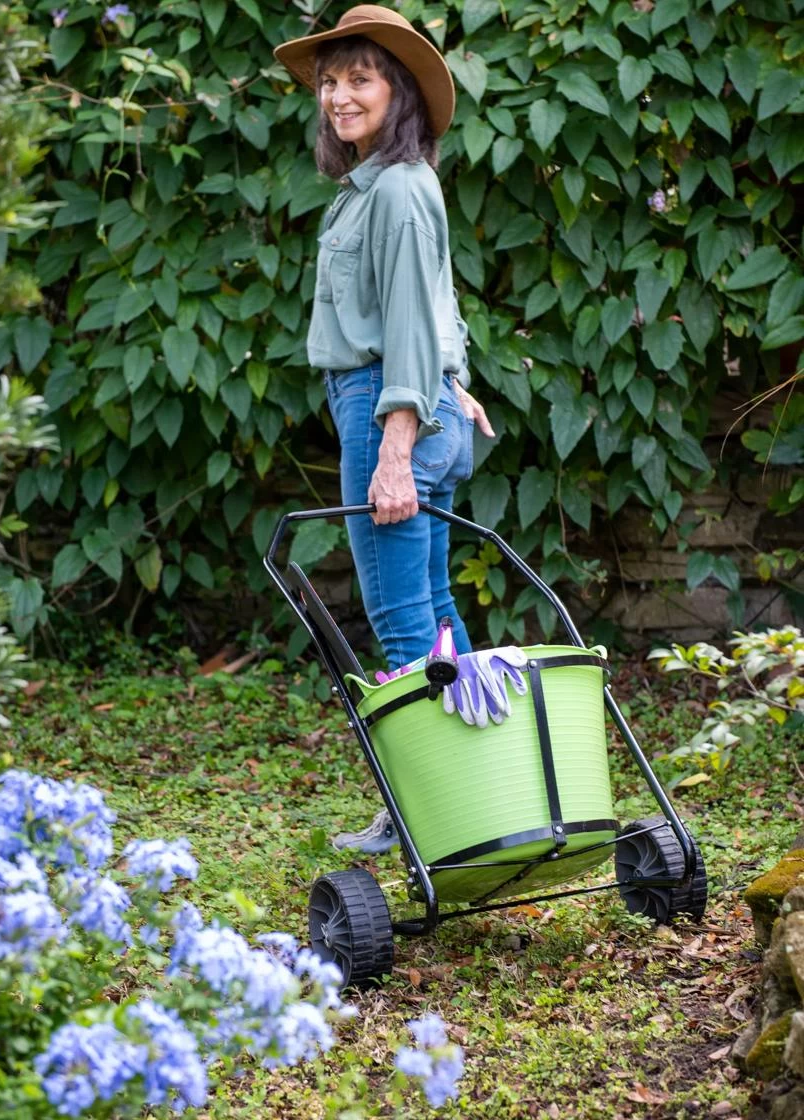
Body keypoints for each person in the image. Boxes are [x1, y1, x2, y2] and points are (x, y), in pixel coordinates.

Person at [275, 4, 494, 853]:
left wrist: (398, 445)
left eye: (359, 78)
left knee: (404, 626)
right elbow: (439, 302)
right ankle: (479, 791)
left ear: (397, 89)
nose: (338, 95)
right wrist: (455, 381)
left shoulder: (396, 190)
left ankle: (433, 818)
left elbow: (409, 315)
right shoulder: (382, 186)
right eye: (330, 80)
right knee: (433, 614)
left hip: (384, 409)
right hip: (412, 397)